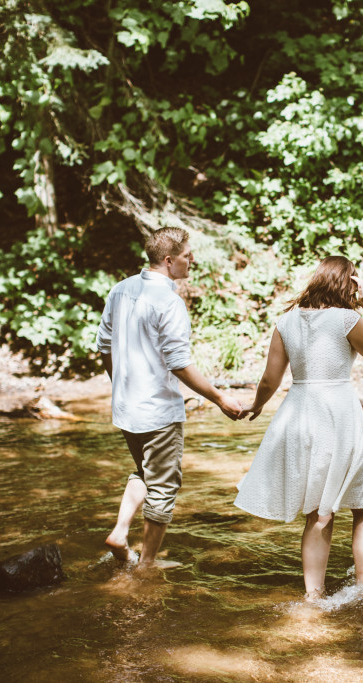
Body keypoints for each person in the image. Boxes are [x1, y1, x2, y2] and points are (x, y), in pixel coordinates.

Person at [234, 256, 363, 600]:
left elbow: (270, 378)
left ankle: (314, 595)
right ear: (347, 283)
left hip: (300, 412)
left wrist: (257, 405)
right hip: (338, 413)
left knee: (319, 510)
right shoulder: (347, 319)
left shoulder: (286, 321)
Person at [96, 227, 243, 572]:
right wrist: (220, 398)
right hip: (158, 411)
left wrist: (120, 385)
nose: (192, 259)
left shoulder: (121, 289)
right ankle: (146, 566)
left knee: (145, 473)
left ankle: (120, 534)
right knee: (163, 487)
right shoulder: (169, 301)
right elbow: (179, 363)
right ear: (168, 260)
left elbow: (103, 344)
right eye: (187, 255)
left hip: (126, 407)